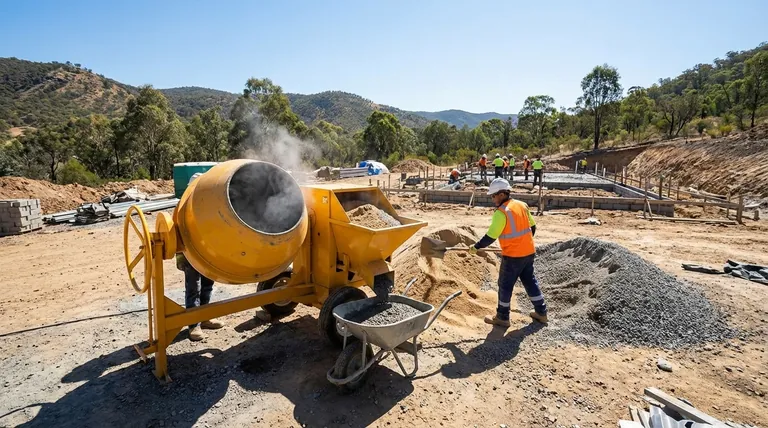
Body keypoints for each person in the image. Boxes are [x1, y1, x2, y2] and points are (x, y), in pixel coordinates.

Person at [469, 178, 548, 327]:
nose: (492, 199)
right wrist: (523, 243)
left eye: (493, 196)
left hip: (512, 256)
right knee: (530, 281)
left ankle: (502, 317)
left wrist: (476, 247)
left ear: (501, 194)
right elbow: (532, 227)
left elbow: (491, 236)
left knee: (505, 285)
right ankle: (541, 312)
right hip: (528, 252)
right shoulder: (522, 205)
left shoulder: (501, 212)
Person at [176, 172, 225, 341]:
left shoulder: (210, 206)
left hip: (208, 253)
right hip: (190, 254)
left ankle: (205, 318)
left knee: (207, 286)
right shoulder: (182, 208)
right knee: (193, 288)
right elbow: (177, 234)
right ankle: (193, 325)